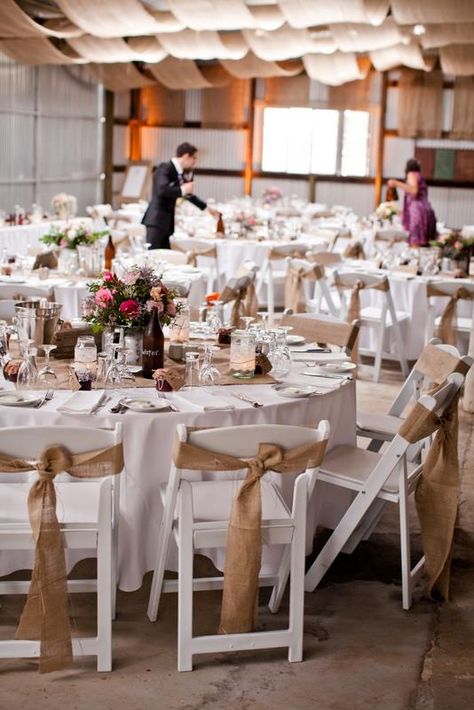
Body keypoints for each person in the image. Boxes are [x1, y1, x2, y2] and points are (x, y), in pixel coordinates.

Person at [142, 142, 218, 249]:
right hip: (157, 221)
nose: (194, 162)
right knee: (154, 256)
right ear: (186, 156)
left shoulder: (179, 173)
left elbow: (187, 195)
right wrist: (183, 189)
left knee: (165, 258)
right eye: (194, 158)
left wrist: (206, 208)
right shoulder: (165, 168)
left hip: (166, 223)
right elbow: (162, 190)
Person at [388, 158, 437, 247]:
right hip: (427, 210)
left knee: (415, 243)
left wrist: (396, 183)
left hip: (417, 212)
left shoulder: (411, 174)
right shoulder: (419, 176)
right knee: (425, 245)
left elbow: (414, 191)